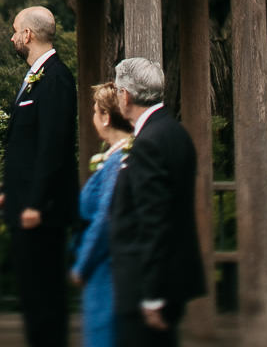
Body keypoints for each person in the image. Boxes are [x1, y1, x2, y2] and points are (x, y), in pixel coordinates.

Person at [0, 6, 78, 347]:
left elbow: (52, 148)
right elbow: (26, 147)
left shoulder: (55, 78)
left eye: (14, 30)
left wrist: (36, 203)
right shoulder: (35, 77)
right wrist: (10, 191)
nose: (12, 37)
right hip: (24, 204)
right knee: (32, 298)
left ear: (28, 35)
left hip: (42, 213)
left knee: (45, 301)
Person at [108, 57, 206, 347]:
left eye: (116, 90)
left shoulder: (149, 141)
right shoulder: (175, 132)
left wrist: (151, 295)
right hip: (171, 276)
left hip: (146, 282)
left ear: (125, 95)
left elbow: (153, 219)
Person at [71, 83, 135, 347]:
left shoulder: (116, 163)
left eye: (96, 112)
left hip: (105, 267)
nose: (94, 118)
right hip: (115, 263)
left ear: (106, 117)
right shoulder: (122, 156)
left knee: (103, 335)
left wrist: (82, 264)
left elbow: (104, 218)